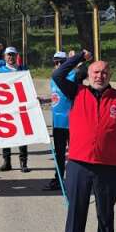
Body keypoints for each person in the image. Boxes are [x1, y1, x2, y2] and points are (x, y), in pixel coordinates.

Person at [52, 50, 116, 232]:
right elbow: (58, 75)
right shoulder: (76, 92)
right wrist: (80, 56)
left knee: (106, 212)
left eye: (105, 72)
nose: (100, 75)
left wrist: (104, 142)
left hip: (107, 167)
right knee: (76, 210)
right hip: (79, 163)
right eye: (96, 72)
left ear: (110, 75)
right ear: (88, 74)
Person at [0, 46, 29, 172]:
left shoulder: (23, 69)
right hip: (6, 108)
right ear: (5, 57)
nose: (10, 57)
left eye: (13, 55)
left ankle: (23, 162)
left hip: (20, 107)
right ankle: (7, 162)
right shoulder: (0, 71)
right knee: (6, 135)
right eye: (8, 55)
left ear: (16, 56)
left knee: (23, 135)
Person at [45, 51, 74, 191]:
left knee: (74, 153)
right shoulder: (53, 78)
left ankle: (75, 178)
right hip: (58, 123)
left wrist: (76, 60)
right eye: (56, 62)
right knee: (59, 153)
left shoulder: (73, 76)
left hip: (72, 122)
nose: (58, 64)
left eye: (61, 62)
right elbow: (56, 98)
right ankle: (58, 178)